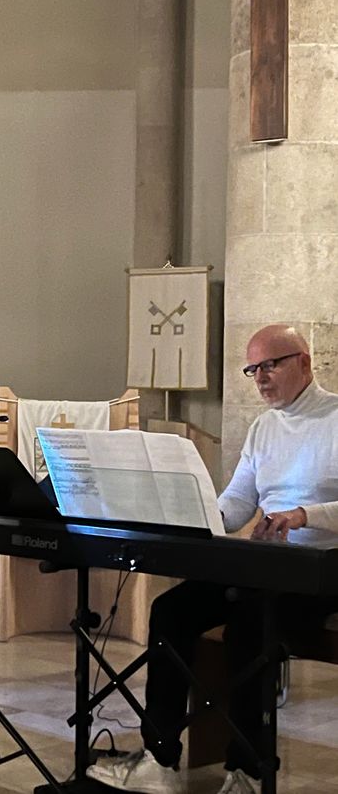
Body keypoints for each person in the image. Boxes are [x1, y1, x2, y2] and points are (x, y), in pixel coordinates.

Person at [87, 324, 338, 794]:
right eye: (253, 369)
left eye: (271, 365)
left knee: (249, 628)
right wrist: (191, 514)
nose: (260, 377)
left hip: (324, 568)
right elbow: (237, 503)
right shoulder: (264, 427)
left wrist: (304, 515)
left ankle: (245, 770)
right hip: (269, 565)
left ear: (304, 362)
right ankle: (160, 761)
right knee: (171, 611)